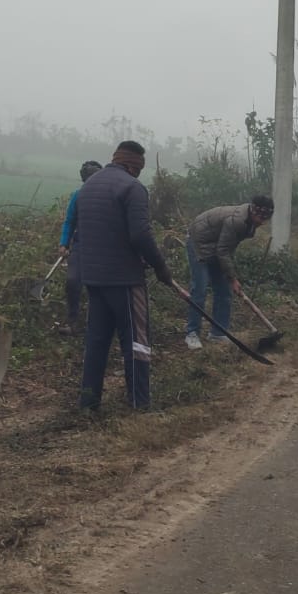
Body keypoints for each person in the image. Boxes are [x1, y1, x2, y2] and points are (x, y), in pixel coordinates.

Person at [70, 140, 175, 410]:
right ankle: (140, 403)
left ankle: (88, 403)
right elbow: (140, 234)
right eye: (139, 168)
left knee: (96, 341)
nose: (139, 173)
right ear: (132, 165)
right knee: (137, 341)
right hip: (125, 280)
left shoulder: (88, 187)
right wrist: (160, 267)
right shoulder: (132, 187)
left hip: (93, 278)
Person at [183, 195, 275, 349]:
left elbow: (227, 248)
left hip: (217, 246)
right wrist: (232, 278)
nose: (262, 222)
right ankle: (192, 333)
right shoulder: (237, 220)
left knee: (224, 291)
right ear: (254, 211)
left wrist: (230, 276)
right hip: (198, 243)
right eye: (260, 217)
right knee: (200, 289)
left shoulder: (250, 223)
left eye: (265, 218)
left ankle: (218, 333)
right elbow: (223, 251)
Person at [58, 159, 103, 335]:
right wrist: (64, 243)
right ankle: (72, 321)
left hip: (102, 249)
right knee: (72, 281)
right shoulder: (78, 196)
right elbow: (70, 221)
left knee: (98, 287)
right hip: (80, 246)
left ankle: (97, 324)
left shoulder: (108, 197)